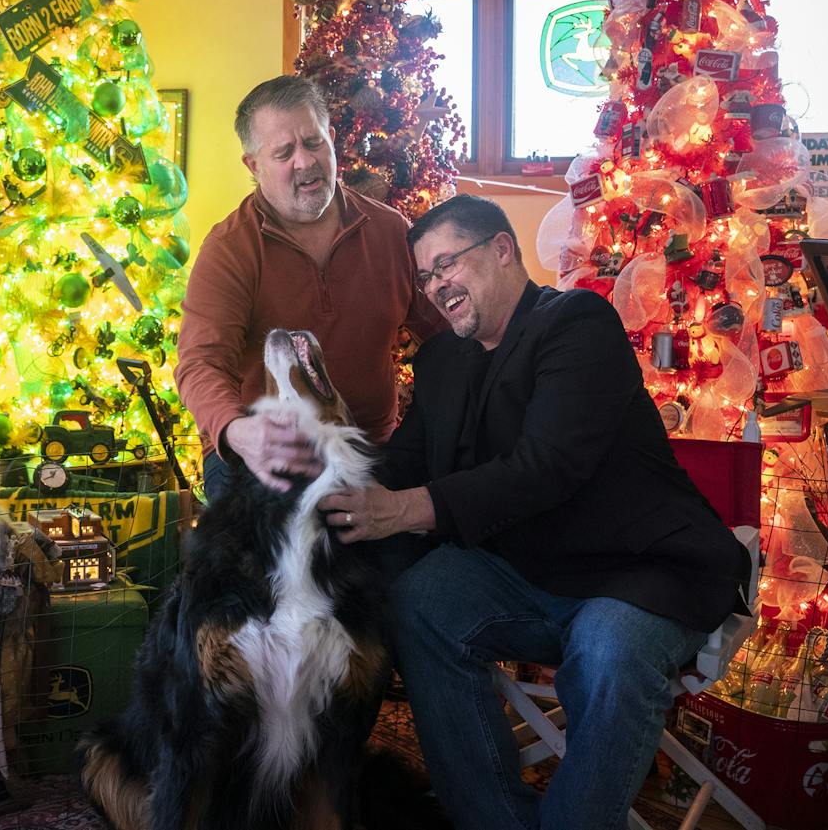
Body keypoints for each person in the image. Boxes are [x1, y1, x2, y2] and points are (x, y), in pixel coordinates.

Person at [318, 194, 751, 830]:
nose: (437, 287)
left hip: (636, 569)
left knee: (608, 653)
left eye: (449, 265)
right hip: (525, 571)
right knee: (419, 603)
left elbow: (546, 467)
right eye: (427, 277)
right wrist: (313, 486)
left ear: (501, 250)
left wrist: (405, 510)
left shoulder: (576, 323)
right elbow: (401, 464)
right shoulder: (441, 361)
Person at [176, 75, 442, 500]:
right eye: (283, 153)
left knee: (402, 563)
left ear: (332, 139)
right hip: (264, 455)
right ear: (253, 165)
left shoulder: (391, 231)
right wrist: (236, 429)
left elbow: (448, 328)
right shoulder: (229, 249)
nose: (305, 162)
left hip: (368, 448)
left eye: (314, 143)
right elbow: (199, 362)